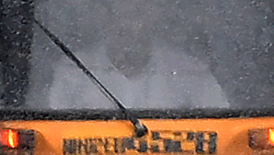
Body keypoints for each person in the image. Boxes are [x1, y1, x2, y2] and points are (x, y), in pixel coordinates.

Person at [47, 12, 229, 113]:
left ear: (153, 23)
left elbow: (221, 130)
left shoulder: (191, 71)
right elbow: (49, 126)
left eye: (137, 16)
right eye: (121, 24)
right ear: (106, 22)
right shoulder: (72, 69)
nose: (130, 28)